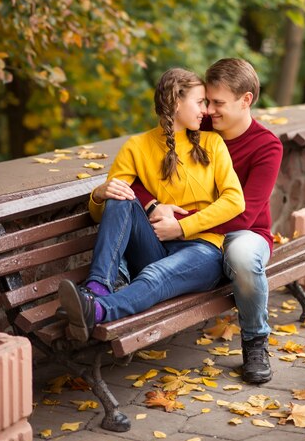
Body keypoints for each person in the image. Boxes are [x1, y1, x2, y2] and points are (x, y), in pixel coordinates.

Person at [117, 58, 283, 384]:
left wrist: (181, 224)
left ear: (245, 99)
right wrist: (154, 205)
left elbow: (244, 213)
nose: (208, 110)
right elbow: (138, 170)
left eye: (218, 103)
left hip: (245, 231)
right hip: (196, 237)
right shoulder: (198, 127)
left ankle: (255, 341)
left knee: (241, 257)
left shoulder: (267, 146)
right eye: (206, 101)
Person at [58, 67, 245, 342]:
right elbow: (105, 215)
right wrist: (99, 194)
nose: (205, 110)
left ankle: (97, 311)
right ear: (176, 102)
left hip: (203, 251)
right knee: (121, 198)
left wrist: (181, 227)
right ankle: (97, 287)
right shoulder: (136, 146)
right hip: (155, 246)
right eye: (200, 102)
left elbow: (234, 200)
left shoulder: (212, 143)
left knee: (154, 274)